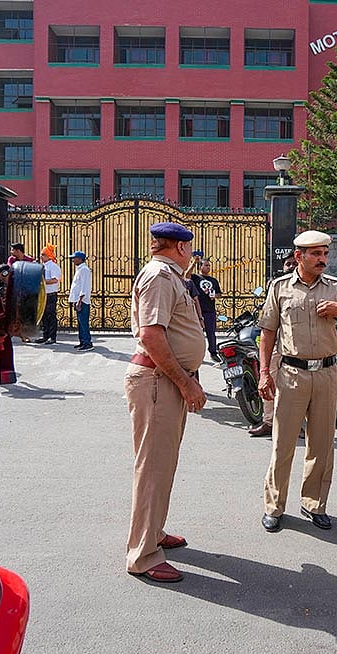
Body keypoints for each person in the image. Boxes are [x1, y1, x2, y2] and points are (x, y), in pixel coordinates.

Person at [257, 231, 337, 532]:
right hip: (291, 375)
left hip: (327, 374)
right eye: (316, 254)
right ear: (299, 256)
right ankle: (274, 505)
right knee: (283, 444)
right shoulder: (280, 288)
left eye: (325, 254)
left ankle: (314, 503)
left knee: (322, 444)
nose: (323, 259)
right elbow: (267, 333)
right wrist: (264, 373)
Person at [125, 222, 207, 583]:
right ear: (181, 248)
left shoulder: (169, 275)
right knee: (153, 469)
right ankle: (143, 555)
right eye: (190, 249)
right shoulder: (160, 276)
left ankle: (153, 532)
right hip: (158, 381)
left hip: (165, 381)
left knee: (162, 465)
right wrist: (186, 383)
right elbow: (151, 336)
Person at [249, 251, 298, 438]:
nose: (291, 267)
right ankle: (268, 422)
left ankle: (296, 425)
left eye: (294, 263)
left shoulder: (308, 287)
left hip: (297, 348)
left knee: (294, 388)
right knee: (268, 381)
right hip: (275, 343)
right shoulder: (275, 285)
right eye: (288, 264)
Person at [192, 257, 223, 362]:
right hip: (197, 310)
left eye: (209, 265)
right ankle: (197, 355)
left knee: (211, 333)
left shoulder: (213, 280)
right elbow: (185, 275)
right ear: (200, 267)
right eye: (206, 265)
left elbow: (219, 294)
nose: (208, 267)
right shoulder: (195, 278)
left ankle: (213, 352)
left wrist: (215, 296)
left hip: (210, 310)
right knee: (197, 334)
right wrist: (194, 263)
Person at [34, 245, 61, 344]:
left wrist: (43, 282)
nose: (41, 257)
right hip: (44, 294)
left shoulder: (53, 266)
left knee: (51, 315)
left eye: (43, 255)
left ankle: (52, 337)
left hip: (50, 294)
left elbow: (55, 280)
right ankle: (45, 335)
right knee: (44, 316)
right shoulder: (43, 266)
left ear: (48, 256)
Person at [68, 250, 94, 351]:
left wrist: (80, 301)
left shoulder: (84, 270)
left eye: (74, 258)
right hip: (78, 300)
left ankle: (87, 343)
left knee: (83, 323)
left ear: (80, 259)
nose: (73, 260)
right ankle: (82, 341)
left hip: (82, 301)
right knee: (80, 322)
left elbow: (84, 286)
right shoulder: (80, 269)